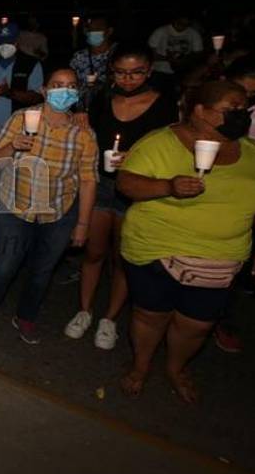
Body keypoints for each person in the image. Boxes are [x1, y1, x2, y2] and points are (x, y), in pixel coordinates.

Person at [116, 81, 255, 403]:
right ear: (200, 110)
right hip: (156, 249)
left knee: (197, 325)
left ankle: (176, 368)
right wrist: (168, 187)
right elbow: (126, 183)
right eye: (230, 110)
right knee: (150, 315)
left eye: (243, 109)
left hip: (221, 258)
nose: (240, 115)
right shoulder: (161, 144)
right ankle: (141, 365)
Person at [0, 68, 98, 345]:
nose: (63, 91)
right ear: (45, 90)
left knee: (42, 271)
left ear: (77, 93)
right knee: (3, 267)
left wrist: (83, 224)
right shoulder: (22, 118)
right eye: (57, 85)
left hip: (57, 213)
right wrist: (13, 148)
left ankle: (26, 316)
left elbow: (89, 180)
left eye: (70, 86)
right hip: (13, 207)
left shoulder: (84, 134)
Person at [63, 45, 178, 349]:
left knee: (123, 258)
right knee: (93, 251)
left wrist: (136, 159)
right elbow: (88, 135)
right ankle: (85, 310)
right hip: (102, 185)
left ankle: (110, 318)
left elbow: (171, 152)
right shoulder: (102, 98)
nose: (128, 79)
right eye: (121, 72)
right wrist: (81, 122)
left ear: (149, 71)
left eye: (136, 72)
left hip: (138, 189)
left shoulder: (164, 106)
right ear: (112, 72)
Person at [0, 20, 44, 133]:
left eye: (9, 42)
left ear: (17, 42)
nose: (5, 46)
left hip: (18, 128)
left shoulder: (31, 64)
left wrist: (9, 93)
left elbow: (37, 98)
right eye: (2, 43)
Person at [68, 15, 116, 107]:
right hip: (82, 111)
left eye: (98, 28)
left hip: (111, 108)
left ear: (109, 31)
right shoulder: (79, 57)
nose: (93, 32)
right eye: (90, 29)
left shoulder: (119, 54)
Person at [148, 11, 204, 76]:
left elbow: (198, 54)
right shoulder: (160, 31)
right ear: (174, 20)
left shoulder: (194, 33)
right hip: (160, 71)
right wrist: (169, 59)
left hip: (185, 70)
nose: (183, 26)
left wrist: (184, 60)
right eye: (180, 23)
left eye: (186, 24)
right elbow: (149, 54)